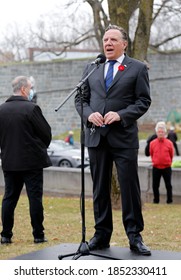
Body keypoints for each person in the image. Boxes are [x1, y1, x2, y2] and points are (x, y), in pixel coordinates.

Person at [75, 25, 152, 256]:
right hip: (96, 137)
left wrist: (121, 115)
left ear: (124, 44)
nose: (107, 43)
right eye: (105, 39)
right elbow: (81, 99)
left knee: (129, 187)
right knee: (99, 188)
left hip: (124, 137)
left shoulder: (137, 68)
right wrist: (89, 114)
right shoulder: (92, 67)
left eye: (113, 39)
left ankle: (134, 236)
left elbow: (143, 101)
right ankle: (101, 234)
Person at [0, 76, 52, 244]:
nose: (30, 91)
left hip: (10, 161)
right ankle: (38, 235)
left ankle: (6, 235)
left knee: (9, 198)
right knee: (34, 198)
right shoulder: (32, 109)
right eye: (29, 88)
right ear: (23, 89)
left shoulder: (1, 110)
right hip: (32, 162)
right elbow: (46, 133)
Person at [150, 121, 174, 204]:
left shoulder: (169, 143)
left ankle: (169, 201)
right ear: (156, 132)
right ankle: (156, 200)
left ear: (165, 133)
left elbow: (171, 154)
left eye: (162, 132)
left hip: (166, 167)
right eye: (159, 132)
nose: (160, 133)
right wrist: (155, 161)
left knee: (168, 185)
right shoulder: (152, 143)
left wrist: (168, 162)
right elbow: (151, 153)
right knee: (155, 186)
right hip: (156, 167)